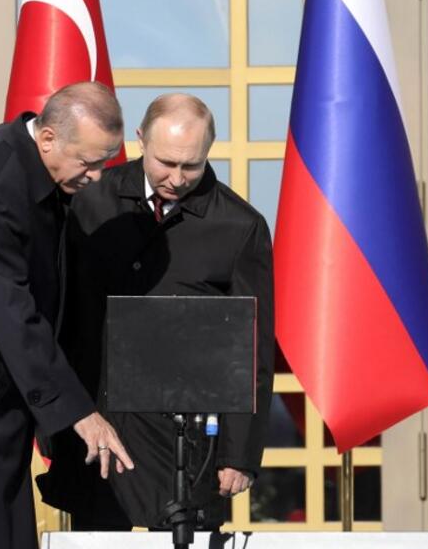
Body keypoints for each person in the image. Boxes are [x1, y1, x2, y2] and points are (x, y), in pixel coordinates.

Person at [37, 93, 275, 530]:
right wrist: (54, 418)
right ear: (141, 139)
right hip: (96, 428)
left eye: (192, 165)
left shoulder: (240, 226)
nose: (178, 178)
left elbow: (252, 351)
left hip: (185, 443)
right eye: (166, 162)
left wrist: (238, 455)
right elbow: (57, 314)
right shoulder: (89, 200)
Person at [0, 81, 135, 549]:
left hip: (3, 400)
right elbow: (11, 309)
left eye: (104, 162)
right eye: (89, 162)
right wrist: (79, 412)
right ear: (47, 140)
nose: (98, 177)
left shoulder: (45, 171)